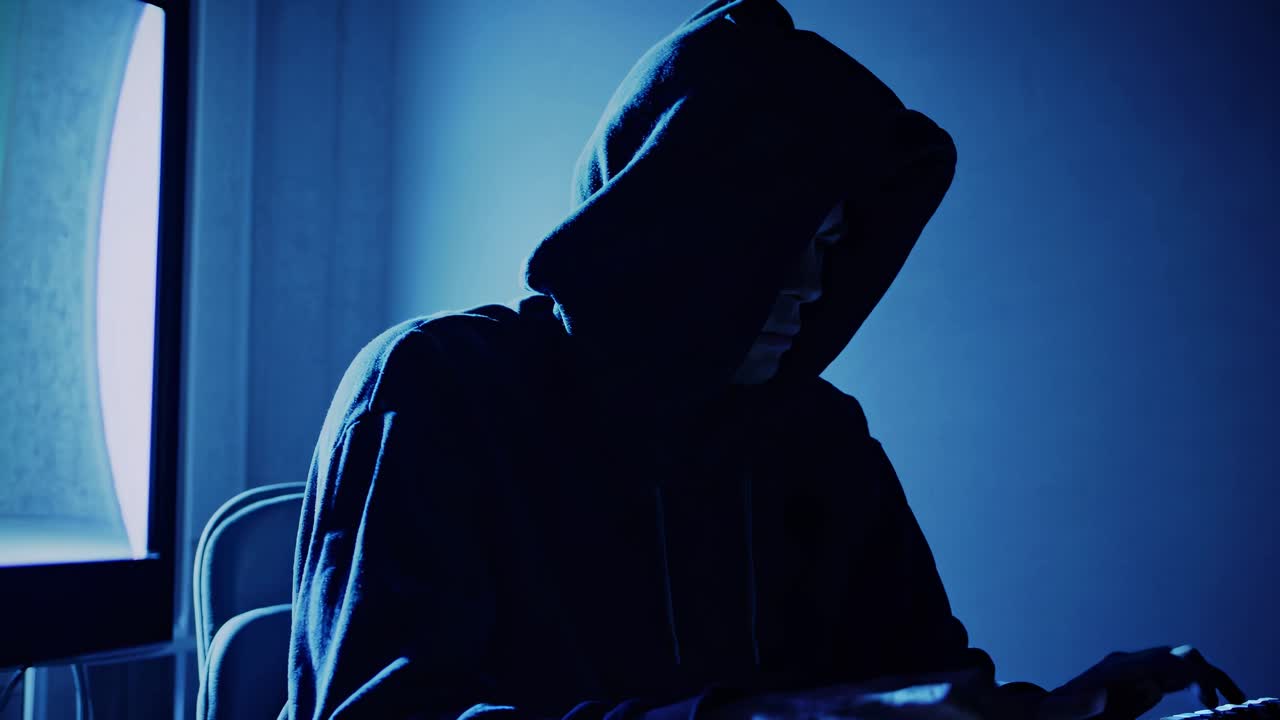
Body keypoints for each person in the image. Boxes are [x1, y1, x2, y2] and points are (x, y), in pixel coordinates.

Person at [278, 1, 1244, 719]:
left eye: (831, 249)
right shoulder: (436, 392)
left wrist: (1056, 714)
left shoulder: (821, 440)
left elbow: (913, 691)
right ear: (674, 233)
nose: (809, 289)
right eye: (779, 244)